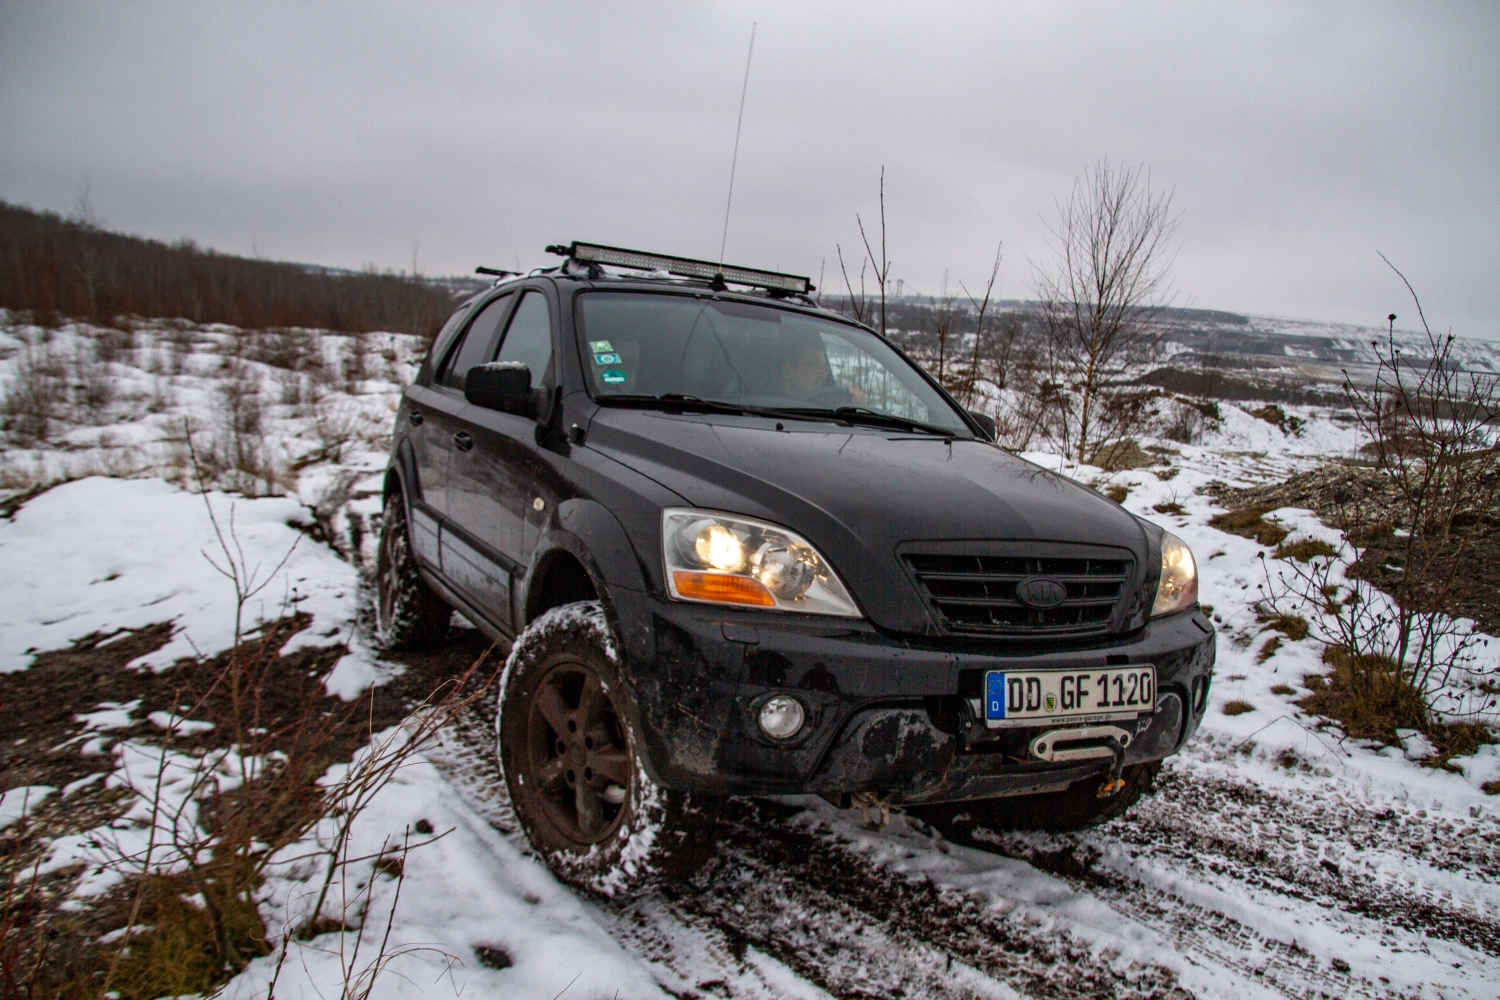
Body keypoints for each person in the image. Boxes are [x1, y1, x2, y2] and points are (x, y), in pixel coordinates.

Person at [779, 338, 865, 404]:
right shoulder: (769, 406)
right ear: (788, 370)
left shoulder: (829, 406)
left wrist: (853, 402)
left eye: (824, 368)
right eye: (815, 366)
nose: (823, 376)